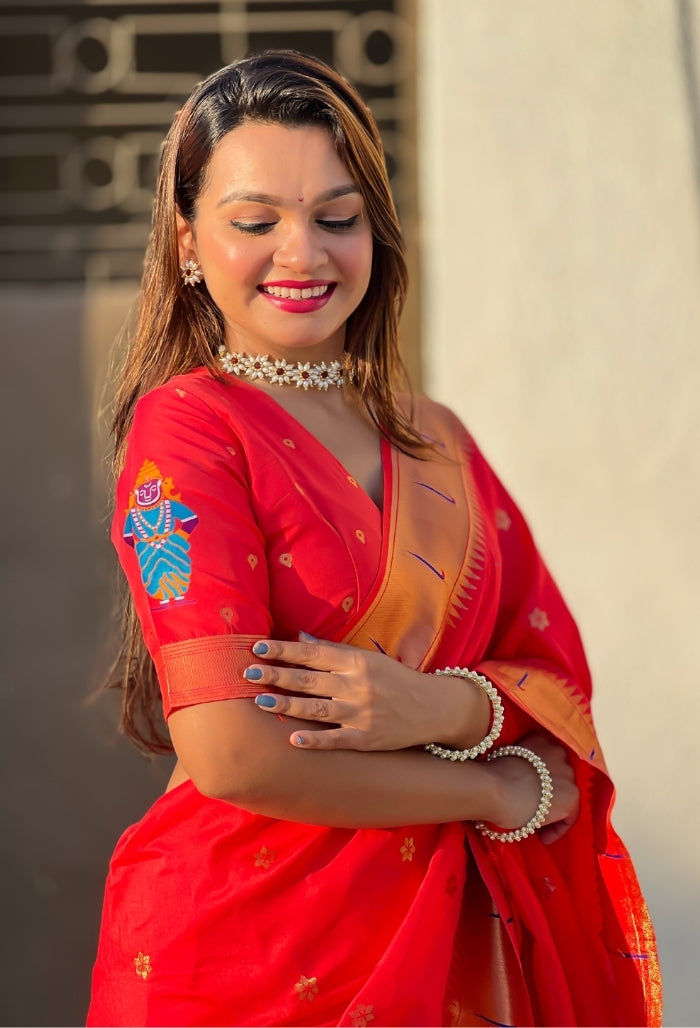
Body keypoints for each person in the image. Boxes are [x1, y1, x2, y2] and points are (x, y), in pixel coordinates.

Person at [86, 50, 661, 1027]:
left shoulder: (434, 436)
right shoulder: (188, 428)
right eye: (255, 220)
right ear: (187, 241)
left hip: (444, 953)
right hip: (239, 953)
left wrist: (435, 705)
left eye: (336, 217)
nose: (303, 253)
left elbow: (555, 690)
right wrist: (488, 786)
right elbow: (233, 755)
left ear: (377, 233)